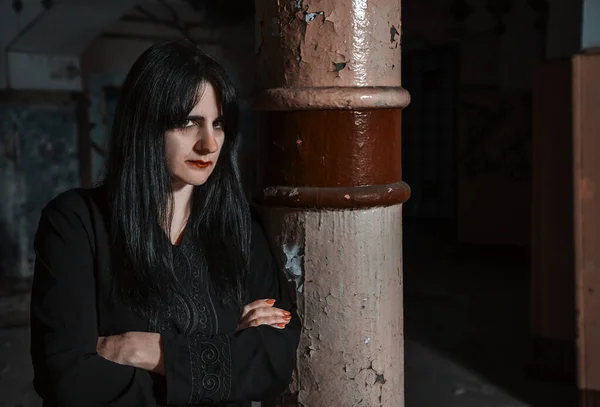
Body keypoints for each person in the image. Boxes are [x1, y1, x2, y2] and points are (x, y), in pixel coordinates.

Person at [29, 40, 301, 407]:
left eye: (217, 124)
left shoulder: (240, 227)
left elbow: (273, 360)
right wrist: (221, 356)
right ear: (146, 124)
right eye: (188, 122)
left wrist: (149, 351)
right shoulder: (76, 222)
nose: (209, 144)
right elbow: (67, 378)